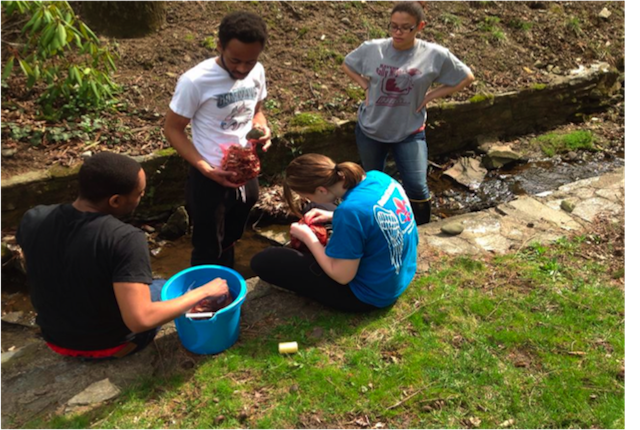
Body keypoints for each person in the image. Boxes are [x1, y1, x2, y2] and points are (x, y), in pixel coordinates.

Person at [16, 152, 229, 359]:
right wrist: (202, 292)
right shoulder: (125, 239)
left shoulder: (33, 218)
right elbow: (141, 320)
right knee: (165, 288)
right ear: (115, 201)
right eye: (139, 193)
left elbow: (48, 267)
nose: (142, 196)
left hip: (54, 339)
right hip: (112, 346)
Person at [341, 0, 474, 224]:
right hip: (371, 129)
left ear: (420, 26)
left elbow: (466, 77)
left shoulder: (433, 54)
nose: (398, 32)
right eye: (393, 26)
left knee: (417, 186)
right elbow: (347, 64)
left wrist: (432, 95)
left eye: (406, 27)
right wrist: (365, 85)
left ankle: (421, 231)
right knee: (373, 183)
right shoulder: (373, 48)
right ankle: (377, 227)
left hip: (410, 131)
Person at [164, 11, 271, 267]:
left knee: (233, 235)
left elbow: (257, 111)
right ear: (220, 46)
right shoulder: (195, 81)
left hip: (245, 168)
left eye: (250, 61)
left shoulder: (257, 71)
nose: (243, 69)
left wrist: (262, 127)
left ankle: (227, 281)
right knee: (207, 244)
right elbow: (172, 129)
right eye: (235, 60)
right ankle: (205, 300)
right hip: (209, 174)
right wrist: (206, 169)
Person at [250, 154, 418, 312]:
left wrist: (308, 238)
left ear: (322, 190)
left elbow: (342, 276)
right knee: (314, 210)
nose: (310, 201)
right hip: (400, 275)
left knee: (263, 261)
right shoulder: (378, 177)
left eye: (308, 196)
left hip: (369, 295)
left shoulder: (349, 213)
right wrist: (332, 215)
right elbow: (372, 214)